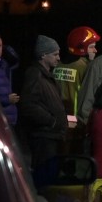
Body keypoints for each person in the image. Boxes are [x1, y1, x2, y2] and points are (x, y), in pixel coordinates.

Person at [19, 35, 67, 170]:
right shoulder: (35, 74)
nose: (58, 58)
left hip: (51, 136)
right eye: (55, 54)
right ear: (43, 55)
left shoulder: (47, 76)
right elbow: (28, 105)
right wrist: (51, 121)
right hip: (44, 137)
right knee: (44, 177)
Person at [54, 26, 100, 153]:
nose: (95, 50)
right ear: (82, 49)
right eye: (91, 47)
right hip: (76, 123)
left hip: (57, 120)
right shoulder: (85, 67)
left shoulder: (57, 65)